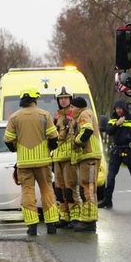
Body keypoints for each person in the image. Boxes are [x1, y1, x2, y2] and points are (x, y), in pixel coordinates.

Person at [4, 87, 60, 236]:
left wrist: (17, 149)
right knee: (47, 190)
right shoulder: (44, 115)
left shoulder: (14, 118)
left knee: (28, 193)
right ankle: (51, 225)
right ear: (35, 100)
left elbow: (8, 140)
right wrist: (49, 148)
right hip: (43, 162)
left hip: (24, 163)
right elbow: (54, 137)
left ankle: (32, 226)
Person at [69, 95, 102, 232]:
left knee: (88, 188)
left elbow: (87, 129)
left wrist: (77, 141)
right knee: (85, 188)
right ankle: (87, 218)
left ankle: (89, 221)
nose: (70, 109)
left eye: (72, 106)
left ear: (78, 107)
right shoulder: (81, 115)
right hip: (86, 157)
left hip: (89, 156)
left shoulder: (84, 114)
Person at [99, 99, 131, 209]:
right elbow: (108, 131)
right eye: (116, 108)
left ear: (124, 108)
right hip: (116, 151)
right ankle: (107, 200)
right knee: (110, 176)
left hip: (129, 150)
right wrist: (117, 124)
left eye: (120, 108)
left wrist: (130, 137)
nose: (118, 110)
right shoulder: (113, 119)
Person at [52, 87, 79, 231]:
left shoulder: (74, 116)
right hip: (57, 157)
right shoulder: (56, 117)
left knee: (70, 187)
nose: (63, 100)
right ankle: (64, 216)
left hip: (69, 157)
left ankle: (74, 216)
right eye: (61, 98)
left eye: (66, 98)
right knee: (59, 189)